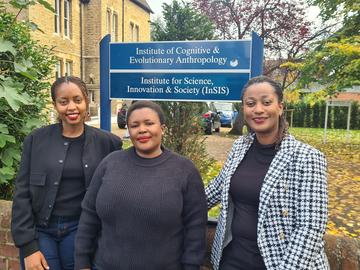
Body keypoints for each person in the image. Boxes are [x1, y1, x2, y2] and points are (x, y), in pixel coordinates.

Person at [206, 76, 329, 270]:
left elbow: (311, 228)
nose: (258, 110)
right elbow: (217, 187)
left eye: (266, 102)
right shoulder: (240, 146)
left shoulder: (307, 157)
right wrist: (174, 207)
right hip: (233, 258)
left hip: (280, 262)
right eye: (250, 103)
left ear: (280, 107)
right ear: (244, 109)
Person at [74, 100, 207, 270]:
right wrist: (82, 263)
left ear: (162, 128)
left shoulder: (184, 171)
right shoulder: (110, 163)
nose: (142, 129)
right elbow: (89, 216)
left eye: (149, 123)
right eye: (135, 125)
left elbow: (195, 230)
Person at [11, 76, 122, 270]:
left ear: (86, 101)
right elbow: (22, 193)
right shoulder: (36, 140)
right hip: (41, 231)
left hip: (81, 230)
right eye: (64, 102)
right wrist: (28, 248)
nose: (71, 107)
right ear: (55, 105)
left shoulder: (109, 143)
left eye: (77, 100)